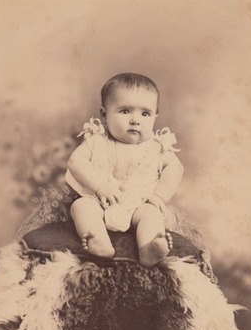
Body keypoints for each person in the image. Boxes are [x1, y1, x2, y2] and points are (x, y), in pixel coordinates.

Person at [65, 73, 184, 267]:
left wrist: (159, 197)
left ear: (155, 116)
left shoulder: (157, 147)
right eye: (125, 111)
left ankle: (150, 247)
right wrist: (100, 187)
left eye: (145, 114)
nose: (135, 120)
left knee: (150, 214)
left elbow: (175, 168)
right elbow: (76, 162)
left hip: (139, 205)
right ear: (104, 114)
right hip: (100, 203)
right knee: (82, 207)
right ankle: (98, 239)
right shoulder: (96, 141)